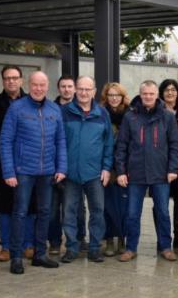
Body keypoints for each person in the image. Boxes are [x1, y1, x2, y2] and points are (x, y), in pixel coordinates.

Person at [0, 71, 68, 274]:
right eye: (35, 84)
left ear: (48, 87)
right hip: (22, 171)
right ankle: (17, 256)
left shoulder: (54, 109)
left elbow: (61, 141)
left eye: (42, 85)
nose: (39, 88)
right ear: (29, 85)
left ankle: (39, 254)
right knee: (19, 212)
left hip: (47, 171)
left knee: (45, 212)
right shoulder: (16, 108)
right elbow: (5, 141)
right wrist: (8, 172)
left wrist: (62, 167)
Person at [115, 80, 178, 262]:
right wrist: (121, 171)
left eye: (151, 94)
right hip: (135, 173)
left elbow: (175, 145)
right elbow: (121, 146)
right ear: (140, 94)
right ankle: (131, 248)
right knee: (132, 213)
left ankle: (166, 247)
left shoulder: (167, 116)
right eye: (145, 94)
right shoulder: (131, 117)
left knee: (162, 211)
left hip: (161, 173)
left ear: (156, 95)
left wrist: (172, 168)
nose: (148, 97)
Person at [0, 65, 35, 262]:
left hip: (28, 161)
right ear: (3, 81)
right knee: (4, 205)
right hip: (2, 162)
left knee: (29, 203)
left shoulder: (32, 102)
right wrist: (11, 151)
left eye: (15, 78)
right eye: (7, 78)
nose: (11, 81)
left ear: (21, 80)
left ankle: (28, 244)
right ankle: (6, 247)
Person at [60, 76, 113, 264]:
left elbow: (108, 144)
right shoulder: (65, 112)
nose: (83, 92)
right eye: (80, 89)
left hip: (95, 173)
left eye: (87, 89)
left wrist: (107, 168)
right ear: (75, 90)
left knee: (97, 211)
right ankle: (72, 248)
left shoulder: (102, 114)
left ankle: (95, 248)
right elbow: (58, 142)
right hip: (70, 173)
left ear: (94, 91)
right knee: (69, 212)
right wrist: (61, 168)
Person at [48, 76, 87, 254]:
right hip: (54, 167)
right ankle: (55, 242)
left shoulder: (82, 109)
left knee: (77, 207)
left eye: (70, 86)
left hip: (75, 168)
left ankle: (80, 239)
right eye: (63, 86)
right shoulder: (51, 109)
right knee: (53, 208)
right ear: (58, 89)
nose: (66, 90)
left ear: (75, 89)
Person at [100, 82, 130, 257]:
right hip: (106, 167)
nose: (114, 98)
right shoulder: (100, 113)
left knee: (124, 206)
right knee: (108, 206)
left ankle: (122, 239)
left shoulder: (130, 115)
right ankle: (109, 239)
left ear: (122, 97)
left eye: (117, 95)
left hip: (124, 167)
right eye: (110, 95)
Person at [158, 78, 178, 249]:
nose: (170, 93)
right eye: (167, 90)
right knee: (160, 205)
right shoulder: (157, 112)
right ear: (161, 93)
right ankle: (162, 239)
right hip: (160, 165)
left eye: (173, 90)